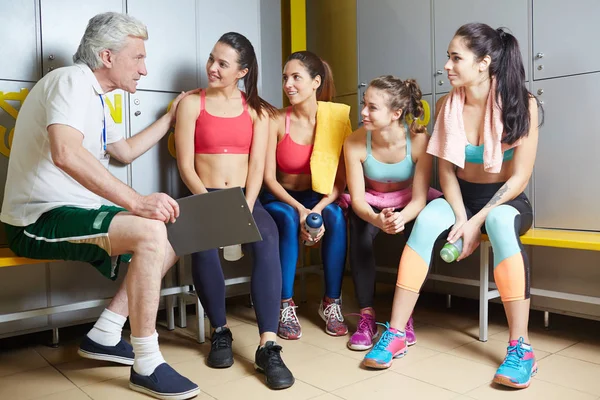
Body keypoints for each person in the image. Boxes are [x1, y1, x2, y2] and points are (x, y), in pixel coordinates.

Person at [0, 12, 201, 399]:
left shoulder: (95, 98)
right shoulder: (70, 81)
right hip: (36, 219)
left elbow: (123, 152)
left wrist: (170, 118)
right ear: (107, 57)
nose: (145, 69)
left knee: (171, 232)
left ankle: (106, 332)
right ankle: (147, 362)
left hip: (71, 213)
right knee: (149, 229)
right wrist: (138, 202)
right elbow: (65, 154)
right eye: (138, 57)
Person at [362, 23, 542, 390]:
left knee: (501, 225)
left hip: (505, 199)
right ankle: (395, 332)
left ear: (483, 63)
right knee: (427, 220)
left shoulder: (523, 104)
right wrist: (462, 217)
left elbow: (519, 178)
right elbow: (444, 171)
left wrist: (476, 222)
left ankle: (521, 348)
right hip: (459, 195)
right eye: (448, 56)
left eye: (455, 57)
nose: (446, 65)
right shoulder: (448, 105)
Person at [174, 32, 294, 390]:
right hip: (202, 193)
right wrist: (210, 203)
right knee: (203, 242)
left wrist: (247, 204)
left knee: (267, 236)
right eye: (212, 59)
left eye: (222, 63)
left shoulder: (258, 110)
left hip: (245, 196)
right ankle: (220, 331)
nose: (212, 67)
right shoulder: (191, 104)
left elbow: (257, 167)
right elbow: (185, 165)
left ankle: (268, 345)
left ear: (242, 71)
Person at [342, 75, 440, 351]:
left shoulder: (420, 141)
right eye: (364, 104)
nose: (363, 112)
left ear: (396, 113)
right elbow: (358, 198)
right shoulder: (354, 142)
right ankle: (367, 316)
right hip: (371, 204)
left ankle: (403, 317)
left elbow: (420, 198)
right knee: (359, 232)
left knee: (418, 236)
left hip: (408, 203)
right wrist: (376, 219)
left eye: (372, 107)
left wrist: (400, 217)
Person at [261, 51, 351, 340]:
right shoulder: (275, 120)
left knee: (335, 215)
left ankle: (331, 303)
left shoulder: (336, 119)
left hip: (318, 196)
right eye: (285, 78)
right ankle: (284, 305)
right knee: (288, 218)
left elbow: (341, 181)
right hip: (281, 198)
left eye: (296, 77)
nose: (288, 84)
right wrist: (301, 210)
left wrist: (317, 210)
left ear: (315, 82)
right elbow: (268, 179)